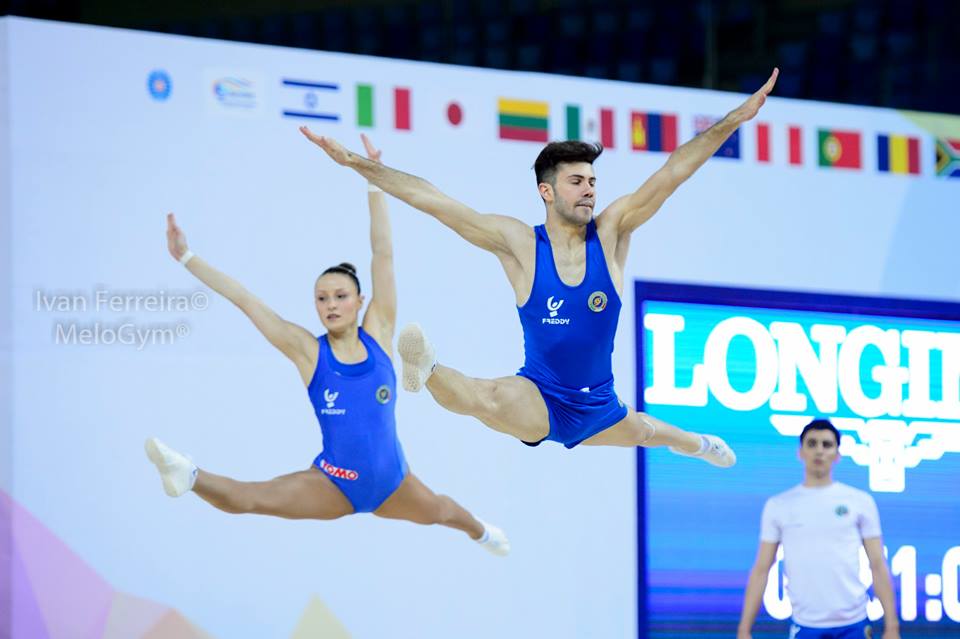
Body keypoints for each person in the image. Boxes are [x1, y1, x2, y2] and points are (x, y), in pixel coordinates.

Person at [298, 69, 778, 460]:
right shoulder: (520, 244)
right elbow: (434, 201)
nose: (590, 189)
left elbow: (674, 170)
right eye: (577, 181)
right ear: (546, 191)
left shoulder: (612, 233)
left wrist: (734, 118)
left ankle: (696, 444)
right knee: (484, 400)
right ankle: (425, 366)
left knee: (653, 433)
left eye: (593, 180)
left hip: (601, 404)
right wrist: (358, 165)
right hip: (542, 397)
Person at [145, 135, 509, 556]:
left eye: (340, 296)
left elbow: (383, 253)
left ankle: (481, 531)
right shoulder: (307, 350)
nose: (331, 305)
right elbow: (244, 299)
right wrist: (187, 256)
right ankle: (186, 473)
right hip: (335, 483)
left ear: (360, 302)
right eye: (322, 298)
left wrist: (374, 180)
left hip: (395, 483)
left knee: (446, 511)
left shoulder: (379, 331)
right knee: (250, 498)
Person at [736, 419, 900, 639]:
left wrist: (892, 627)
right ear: (800, 452)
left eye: (827, 444)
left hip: (854, 623)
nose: (819, 451)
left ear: (837, 454)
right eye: (812, 444)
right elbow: (761, 569)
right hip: (806, 625)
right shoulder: (779, 505)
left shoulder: (860, 502)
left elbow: (878, 564)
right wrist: (744, 629)